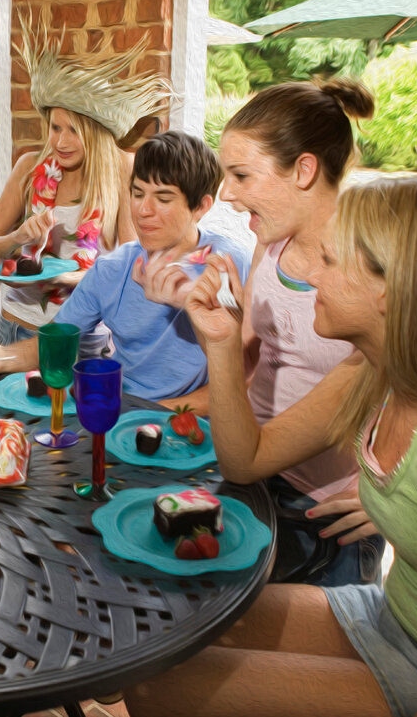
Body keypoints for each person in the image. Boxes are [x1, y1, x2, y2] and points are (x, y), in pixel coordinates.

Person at [124, 175, 417, 717]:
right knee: (165, 635)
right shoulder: (374, 370)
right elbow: (245, 461)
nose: (311, 275)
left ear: (390, 288)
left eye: (329, 262)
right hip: (391, 617)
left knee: (157, 688)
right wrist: (221, 344)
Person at [143, 79, 380, 585]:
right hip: (253, 478)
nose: (226, 192)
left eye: (241, 175)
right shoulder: (270, 245)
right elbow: (245, 364)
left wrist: (391, 488)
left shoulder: (373, 264)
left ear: (304, 170)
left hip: (325, 511)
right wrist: (207, 318)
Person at [0, 131, 250, 405]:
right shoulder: (112, 269)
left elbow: (247, 377)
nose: (143, 210)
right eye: (137, 193)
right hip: (121, 411)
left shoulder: (231, 266)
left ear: (201, 206)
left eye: (163, 198)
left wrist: (158, 411)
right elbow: (56, 340)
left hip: (193, 423)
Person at [0, 28, 170, 355]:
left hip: (81, 340)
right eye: (55, 127)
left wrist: (68, 279)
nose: (61, 142)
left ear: (95, 132)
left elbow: (130, 266)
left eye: (74, 131)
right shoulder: (29, 168)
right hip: (15, 331)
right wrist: (17, 237)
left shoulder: (121, 169)